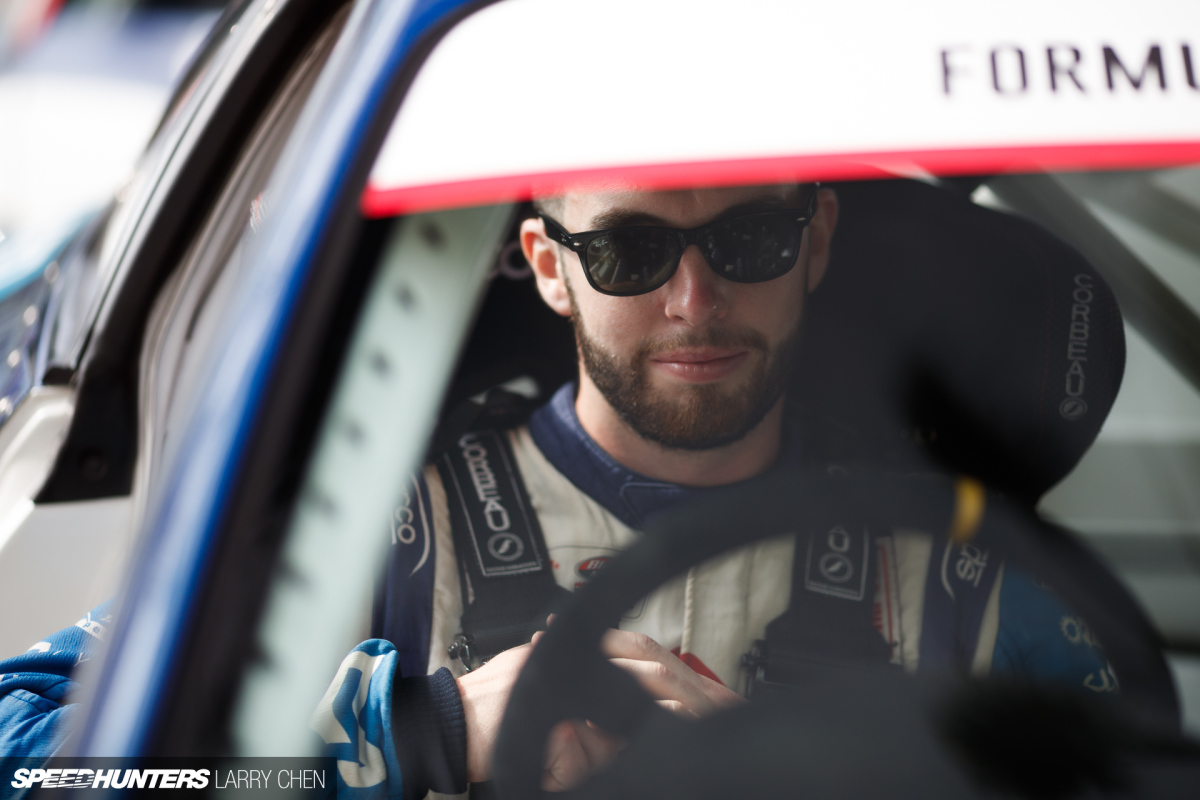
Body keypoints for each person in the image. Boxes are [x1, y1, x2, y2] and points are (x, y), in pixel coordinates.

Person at [0, 182, 1115, 797]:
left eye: (751, 236)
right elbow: (25, 751)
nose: (694, 298)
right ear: (547, 265)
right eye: (631, 250)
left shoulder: (959, 566)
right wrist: (416, 734)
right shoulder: (373, 537)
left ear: (816, 238)